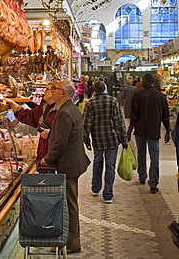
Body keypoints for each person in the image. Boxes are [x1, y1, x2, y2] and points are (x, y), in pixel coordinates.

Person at [40, 80, 90, 254]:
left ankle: (71, 244)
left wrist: (47, 160)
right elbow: (66, 133)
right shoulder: (70, 108)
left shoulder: (64, 112)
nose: (52, 91)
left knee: (69, 205)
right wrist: (52, 132)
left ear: (62, 93)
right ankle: (68, 241)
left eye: (55, 89)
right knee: (70, 203)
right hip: (73, 162)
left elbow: (61, 143)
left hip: (68, 164)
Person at [83, 80, 128, 203]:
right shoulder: (113, 101)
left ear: (94, 90)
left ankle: (96, 188)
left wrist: (86, 140)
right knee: (110, 165)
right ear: (105, 88)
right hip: (112, 139)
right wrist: (124, 139)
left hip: (97, 139)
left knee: (97, 162)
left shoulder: (90, 103)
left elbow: (86, 124)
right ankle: (108, 193)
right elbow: (119, 123)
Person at [127, 73, 170, 193]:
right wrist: (167, 130)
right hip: (154, 131)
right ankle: (153, 183)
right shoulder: (161, 97)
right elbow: (165, 116)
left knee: (141, 154)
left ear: (145, 82)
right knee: (154, 156)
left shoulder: (138, 96)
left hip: (140, 130)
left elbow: (134, 115)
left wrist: (130, 130)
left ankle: (142, 176)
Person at [7, 82, 57, 163]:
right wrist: (13, 104)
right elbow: (30, 116)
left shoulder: (63, 109)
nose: (44, 91)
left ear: (55, 92)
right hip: (45, 153)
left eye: (47, 89)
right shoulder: (45, 106)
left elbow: (70, 131)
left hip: (56, 158)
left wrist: (52, 132)